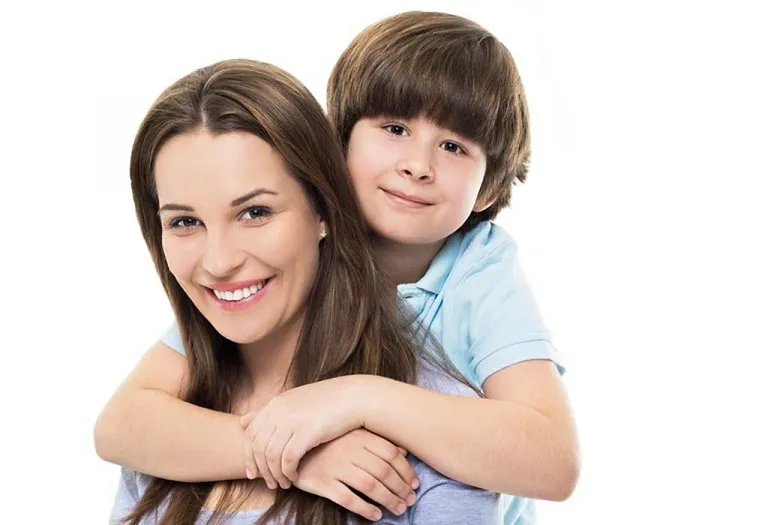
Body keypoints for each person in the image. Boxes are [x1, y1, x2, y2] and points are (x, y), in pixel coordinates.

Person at [96, 11, 580, 525]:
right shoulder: (259, 282)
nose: (417, 166)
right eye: (395, 128)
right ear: (337, 146)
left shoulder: (480, 272)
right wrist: (286, 450)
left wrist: (360, 397)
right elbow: (121, 423)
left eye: (453, 147)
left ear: (487, 191)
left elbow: (554, 461)